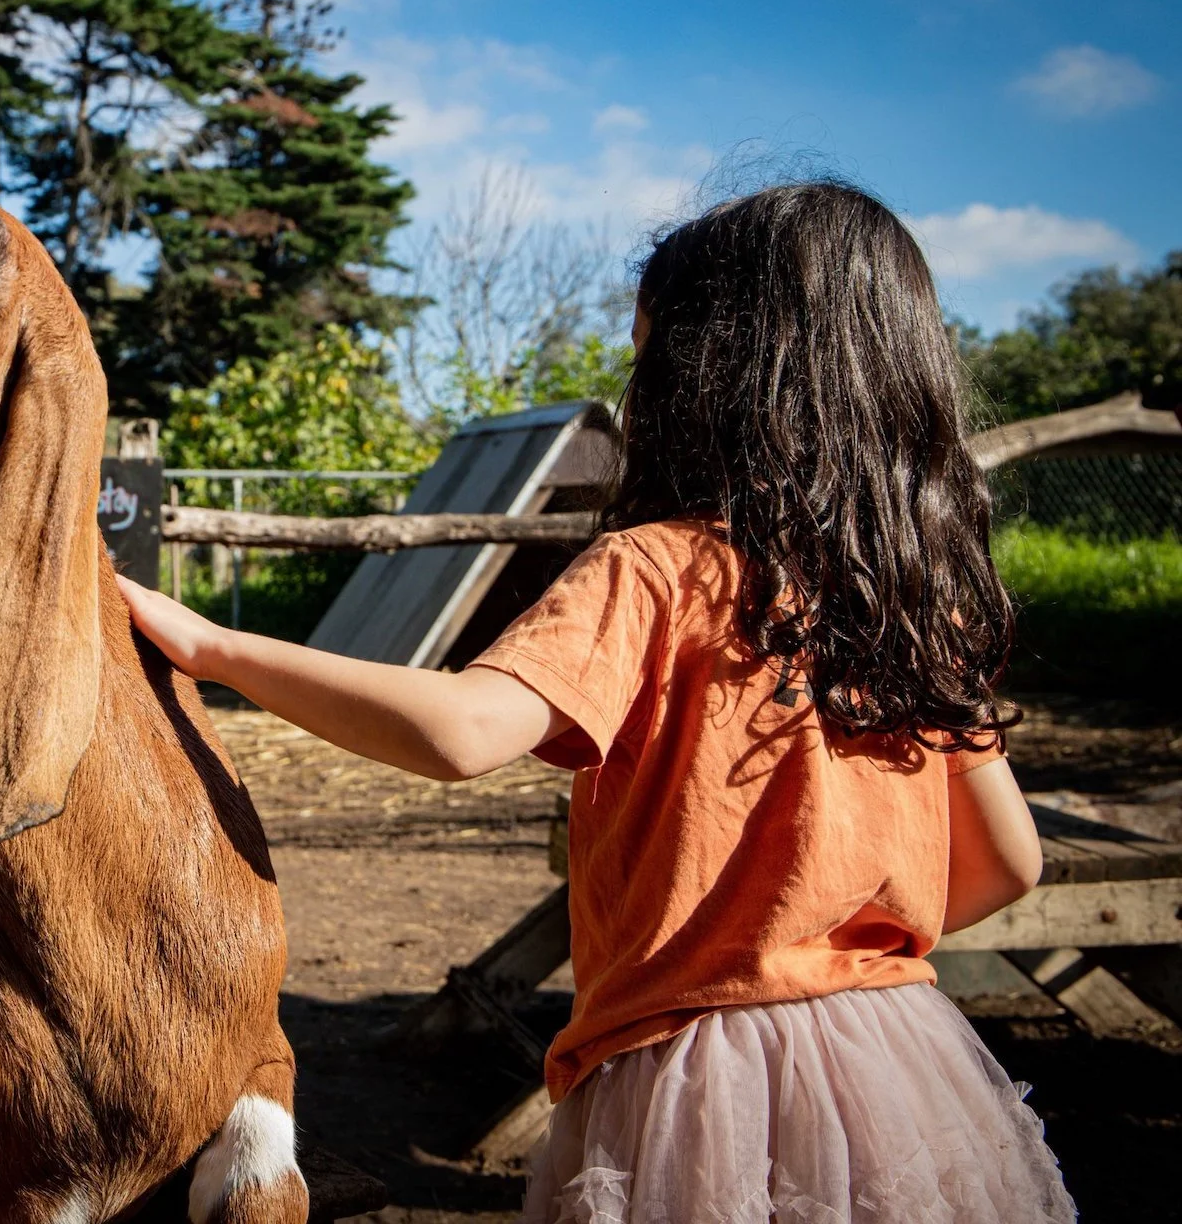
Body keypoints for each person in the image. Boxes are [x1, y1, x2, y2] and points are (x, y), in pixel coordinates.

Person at [120, 182, 1077, 1223]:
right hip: (898, 1055)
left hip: (700, 1068)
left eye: (645, 354)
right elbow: (1005, 862)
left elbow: (461, 730)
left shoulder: (653, 570)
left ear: (704, 377)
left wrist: (216, 644)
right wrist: (824, 929)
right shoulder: (906, 593)